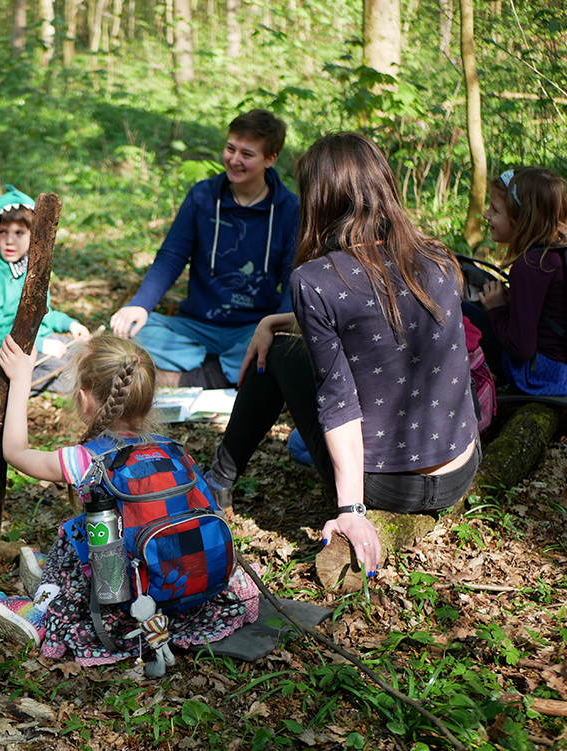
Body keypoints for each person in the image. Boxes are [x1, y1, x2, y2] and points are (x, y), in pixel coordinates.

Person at [206, 133, 480, 574]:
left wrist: (352, 510)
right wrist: (272, 319)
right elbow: (378, 326)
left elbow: (339, 403)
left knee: (276, 353)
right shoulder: (437, 257)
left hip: (389, 487)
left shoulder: (315, 280)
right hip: (460, 468)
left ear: (319, 197)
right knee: (278, 338)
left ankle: (218, 480)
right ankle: (243, 469)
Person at [0, 333, 258, 663]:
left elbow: (16, 451)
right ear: (148, 400)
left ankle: (42, 610)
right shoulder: (174, 453)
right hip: (189, 591)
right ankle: (59, 574)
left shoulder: (85, 460)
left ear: (84, 399)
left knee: (78, 532)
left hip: (124, 603)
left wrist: (21, 379)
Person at [109, 109, 300, 388]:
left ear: (270, 159)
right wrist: (140, 304)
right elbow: (172, 257)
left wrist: (276, 328)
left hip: (253, 326)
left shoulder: (290, 209)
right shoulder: (202, 196)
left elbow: (292, 277)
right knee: (130, 331)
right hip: (196, 327)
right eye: (230, 148)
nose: (234, 160)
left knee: (283, 345)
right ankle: (225, 372)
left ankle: (188, 377)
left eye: (246, 154)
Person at [0, 186, 89, 395]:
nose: (10, 240)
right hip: (9, 351)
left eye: (19, 233)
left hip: (41, 340)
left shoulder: (31, 269)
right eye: (2, 232)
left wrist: (69, 323)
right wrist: (41, 344)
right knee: (68, 377)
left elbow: (43, 312)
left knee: (87, 357)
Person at [462, 167, 567, 395]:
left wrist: (497, 309)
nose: (487, 214)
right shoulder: (555, 252)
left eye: (495, 209)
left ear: (522, 220)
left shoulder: (530, 266)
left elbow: (520, 350)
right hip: (560, 367)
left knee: (460, 311)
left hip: (541, 375)